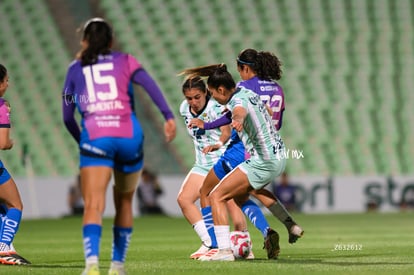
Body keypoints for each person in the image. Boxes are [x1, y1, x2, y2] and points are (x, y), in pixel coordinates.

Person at [62, 18, 176, 275]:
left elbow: (67, 115)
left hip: (96, 138)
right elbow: (149, 84)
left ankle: (92, 265)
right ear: (111, 41)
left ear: (85, 41)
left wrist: (82, 139)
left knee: (93, 204)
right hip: (129, 136)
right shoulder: (126, 60)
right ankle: (117, 266)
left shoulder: (74, 68)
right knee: (124, 202)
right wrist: (168, 116)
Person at [188, 49, 303, 259]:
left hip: (253, 155)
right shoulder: (267, 91)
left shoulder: (243, 90)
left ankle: (218, 247)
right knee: (245, 193)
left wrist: (238, 120)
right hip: (277, 154)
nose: (212, 97)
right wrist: (211, 125)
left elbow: (238, 111)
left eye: (212, 93)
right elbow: (269, 116)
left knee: (213, 193)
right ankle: (285, 226)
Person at [176, 76, 252, 260]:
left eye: (197, 97)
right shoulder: (184, 109)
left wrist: (217, 144)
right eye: (189, 98)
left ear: (206, 94)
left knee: (230, 203)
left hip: (221, 160)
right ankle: (210, 243)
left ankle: (245, 247)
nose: (193, 102)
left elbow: (226, 132)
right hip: (202, 164)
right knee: (184, 200)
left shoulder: (216, 107)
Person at [0, 64, 31, 265]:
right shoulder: (1, 106)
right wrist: (10, 143)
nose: (8, 84)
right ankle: (4, 248)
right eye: (6, 80)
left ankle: (7, 248)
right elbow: (2, 143)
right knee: (15, 204)